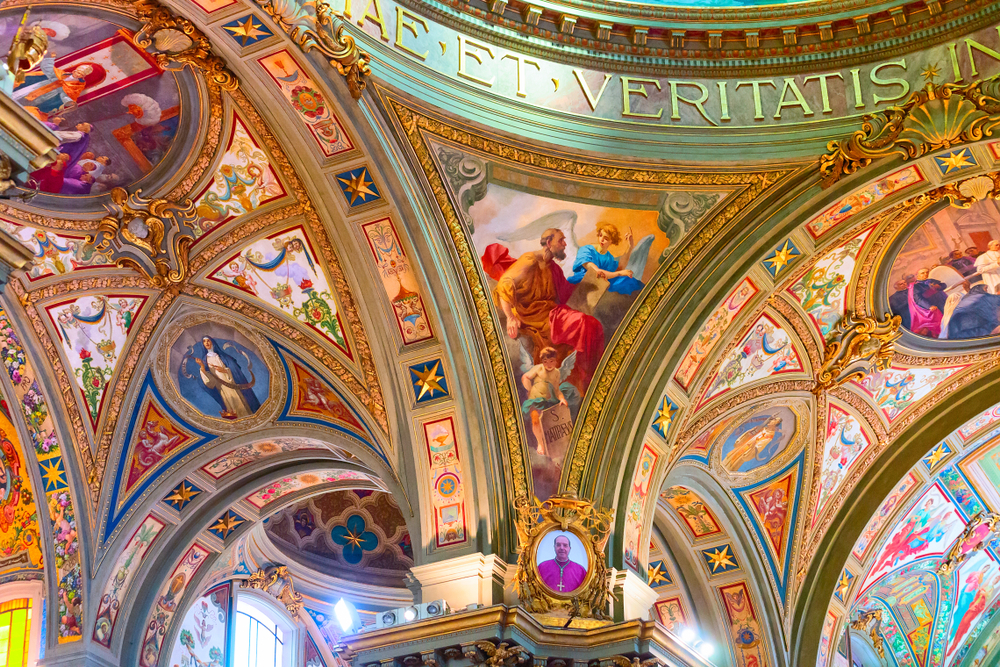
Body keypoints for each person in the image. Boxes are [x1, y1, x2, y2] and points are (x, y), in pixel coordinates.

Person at [482, 229, 604, 388]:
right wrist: (510, 317)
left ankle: (589, 378)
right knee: (585, 324)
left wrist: (585, 275)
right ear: (549, 243)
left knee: (594, 325)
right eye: (561, 240)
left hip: (552, 313)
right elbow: (505, 283)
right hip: (535, 317)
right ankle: (586, 379)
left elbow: (564, 294)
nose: (564, 244)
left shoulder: (554, 268)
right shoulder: (530, 260)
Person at [189, 336, 260, 419]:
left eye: (208, 340)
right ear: (203, 345)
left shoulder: (222, 356)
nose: (207, 343)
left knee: (241, 404)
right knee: (231, 406)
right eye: (204, 341)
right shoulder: (205, 359)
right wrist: (202, 366)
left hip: (231, 383)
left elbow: (234, 369)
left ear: (212, 342)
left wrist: (225, 370)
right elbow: (209, 381)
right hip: (222, 388)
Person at [568, 222, 644, 295]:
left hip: (600, 283)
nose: (602, 239)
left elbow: (619, 267)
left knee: (630, 281)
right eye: (600, 235)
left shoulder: (609, 257)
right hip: (583, 283)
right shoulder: (586, 250)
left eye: (606, 238)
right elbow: (595, 272)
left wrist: (630, 247)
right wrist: (620, 273)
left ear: (612, 241)